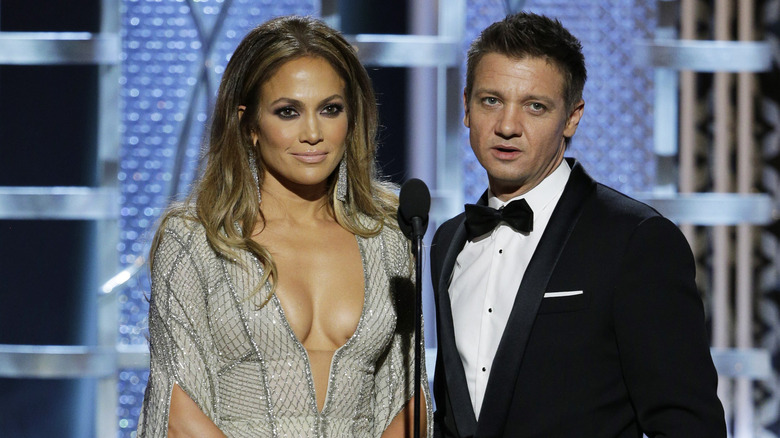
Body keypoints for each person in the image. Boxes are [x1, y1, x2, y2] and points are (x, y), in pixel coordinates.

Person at [430, 12, 726, 437]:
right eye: (491, 100)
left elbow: (686, 424)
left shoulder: (636, 240)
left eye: (535, 106)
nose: (508, 126)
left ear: (572, 116)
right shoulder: (447, 241)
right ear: (466, 107)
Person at [136, 15, 431, 437]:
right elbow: (176, 408)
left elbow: (409, 392)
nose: (313, 133)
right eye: (288, 112)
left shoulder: (389, 238)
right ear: (249, 123)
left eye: (330, 109)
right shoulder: (196, 241)